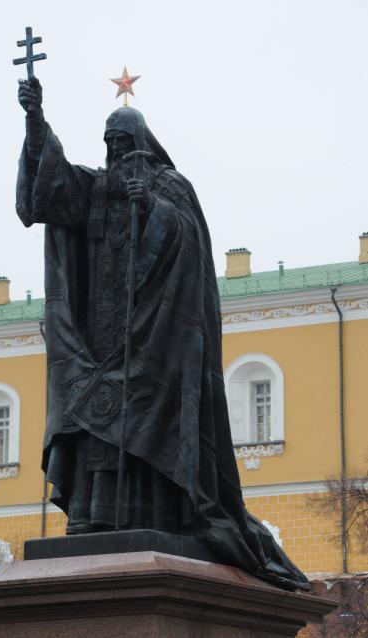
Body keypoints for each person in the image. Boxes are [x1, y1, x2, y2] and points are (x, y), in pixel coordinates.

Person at [16, 77, 309, 591]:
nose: (114, 150)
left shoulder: (171, 186)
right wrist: (35, 120)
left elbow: (190, 243)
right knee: (94, 421)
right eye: (108, 142)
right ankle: (94, 516)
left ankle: (154, 513)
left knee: (149, 421)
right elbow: (52, 193)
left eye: (122, 141)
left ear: (142, 142)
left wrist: (151, 207)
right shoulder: (98, 186)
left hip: (157, 339)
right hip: (100, 336)